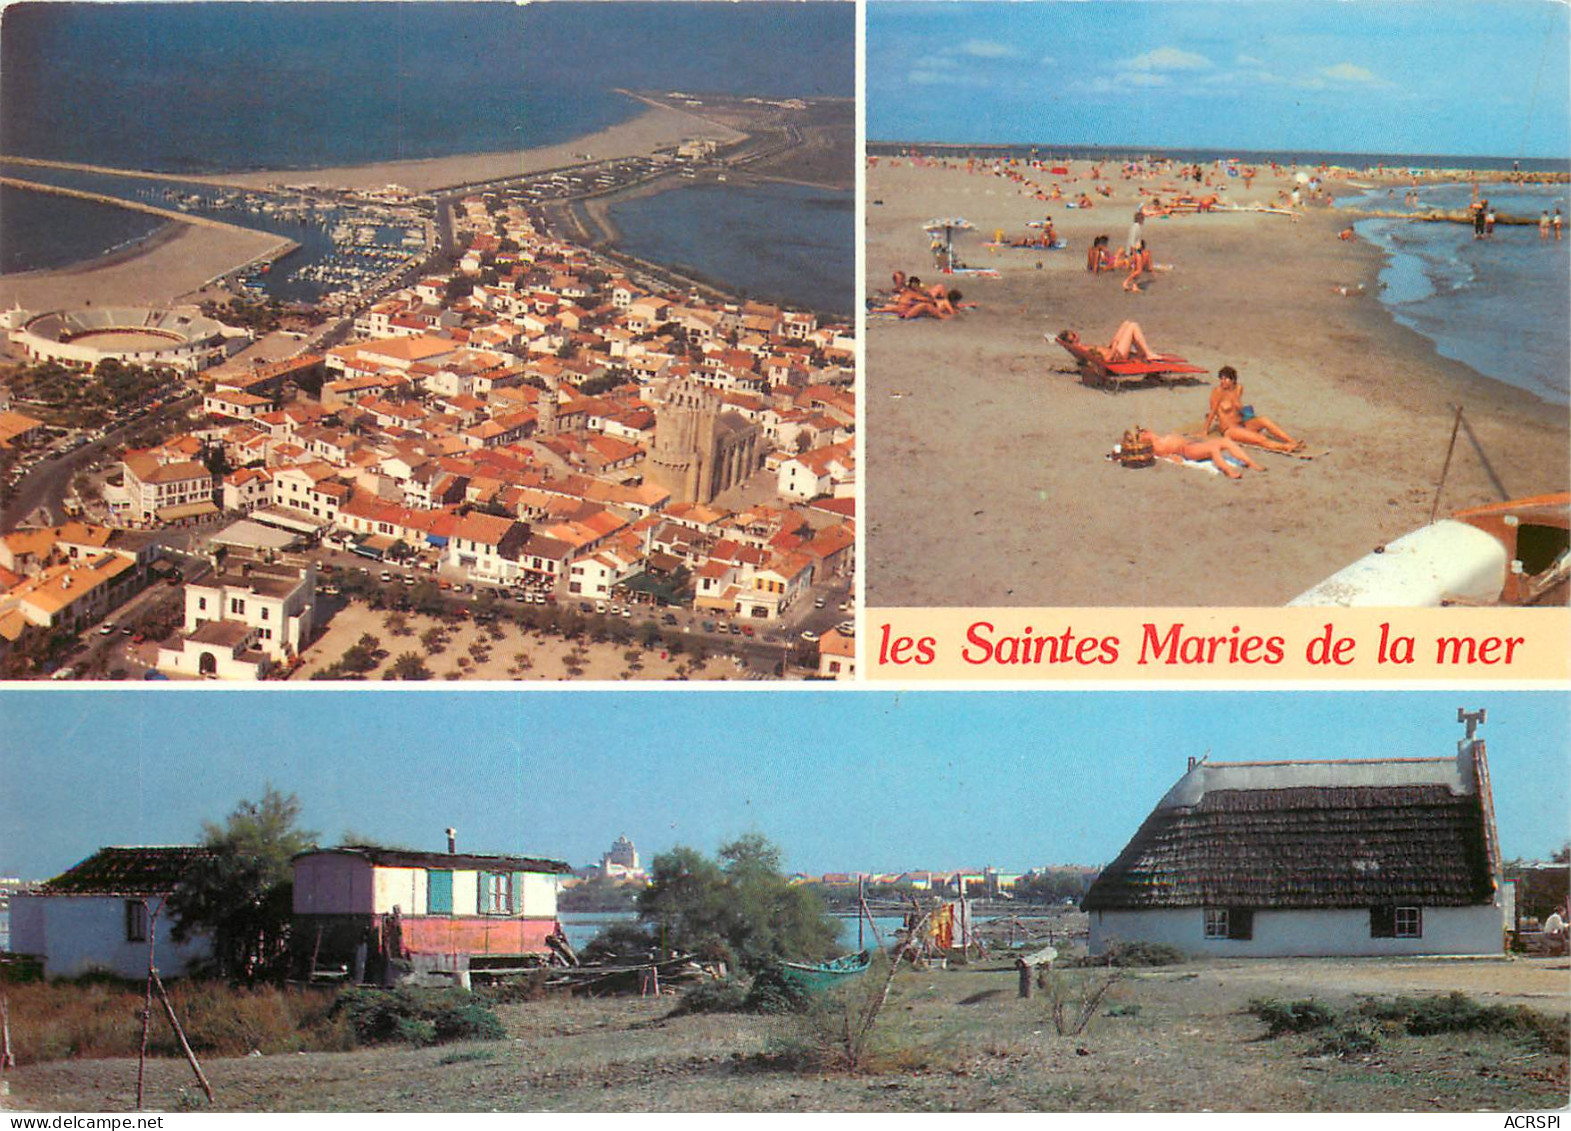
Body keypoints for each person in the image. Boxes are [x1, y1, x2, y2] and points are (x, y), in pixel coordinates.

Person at [1205, 366, 1303, 452]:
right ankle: (1285, 447)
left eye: (1226, 379)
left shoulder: (1238, 388)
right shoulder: (1217, 392)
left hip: (1241, 423)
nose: (1223, 382)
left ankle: (1292, 441)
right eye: (1221, 379)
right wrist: (1205, 430)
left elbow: (1239, 408)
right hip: (1230, 429)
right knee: (1259, 438)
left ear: (1233, 380)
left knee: (1265, 420)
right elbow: (1212, 412)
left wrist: (1236, 401)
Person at [1136, 428, 1266, 479]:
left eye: (1144, 430)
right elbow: (1163, 455)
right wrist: (1172, 457)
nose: (1146, 431)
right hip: (1188, 450)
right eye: (1142, 433)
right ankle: (1228, 470)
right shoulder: (1156, 447)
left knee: (1226, 441)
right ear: (1142, 439)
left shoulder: (1159, 438)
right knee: (1213, 449)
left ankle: (1251, 463)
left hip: (1194, 444)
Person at [1062, 321, 1169, 362]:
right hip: (1117, 355)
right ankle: (1148, 353)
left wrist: (1111, 345)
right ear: (1074, 339)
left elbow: (1100, 354)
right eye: (1074, 334)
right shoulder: (1083, 349)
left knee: (1126, 323)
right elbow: (1107, 359)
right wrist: (1115, 345)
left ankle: (1142, 352)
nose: (1076, 334)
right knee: (1133, 326)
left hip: (1112, 350)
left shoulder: (1081, 349)